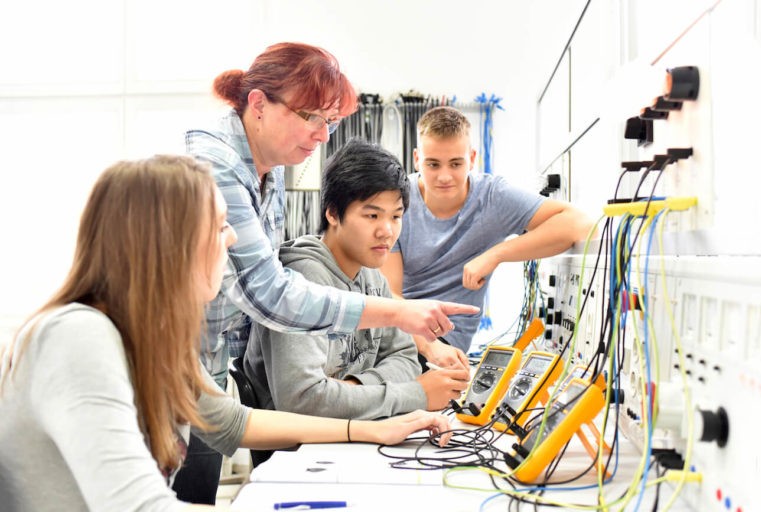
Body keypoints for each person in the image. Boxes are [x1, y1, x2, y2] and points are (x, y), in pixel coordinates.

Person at [0, 155, 453, 512]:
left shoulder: (154, 341)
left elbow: (235, 423)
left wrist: (368, 431)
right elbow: (139, 506)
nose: (233, 239)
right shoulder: (79, 337)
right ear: (167, 241)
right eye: (219, 226)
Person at [179, 43, 476, 502]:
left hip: (209, 381)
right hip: (178, 373)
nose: (322, 135)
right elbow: (268, 293)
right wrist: (402, 337)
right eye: (311, 117)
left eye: (330, 122)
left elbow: (234, 418)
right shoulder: (215, 164)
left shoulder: (270, 165)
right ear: (258, 105)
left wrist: (364, 393)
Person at [244, 139, 470, 421]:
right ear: (332, 213)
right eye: (372, 215)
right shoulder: (301, 280)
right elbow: (303, 401)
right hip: (301, 452)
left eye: (396, 217)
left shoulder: (372, 274)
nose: (387, 231)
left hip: (360, 432)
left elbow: (406, 358)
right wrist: (415, 394)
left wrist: (351, 389)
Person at [381, 106, 593, 370]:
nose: (444, 176)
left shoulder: (493, 197)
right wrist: (426, 345)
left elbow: (578, 223)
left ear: (472, 158)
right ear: (416, 159)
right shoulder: (397, 202)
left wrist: (496, 254)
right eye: (432, 164)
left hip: (444, 344)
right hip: (402, 333)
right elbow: (389, 295)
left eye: (456, 164)